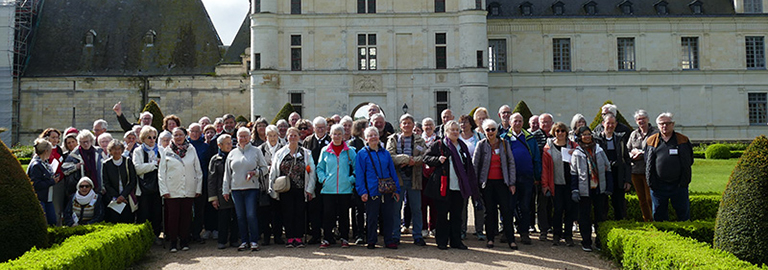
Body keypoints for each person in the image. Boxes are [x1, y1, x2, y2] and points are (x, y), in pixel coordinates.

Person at [423, 120, 481, 250]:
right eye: (452, 130)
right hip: (443, 186)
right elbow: (426, 158)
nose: (455, 132)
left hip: (459, 187)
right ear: (446, 132)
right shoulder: (439, 145)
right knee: (442, 215)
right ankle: (442, 241)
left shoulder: (462, 146)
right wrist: (437, 160)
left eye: (457, 130)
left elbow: (468, 166)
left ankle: (456, 241)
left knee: (457, 216)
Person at [268, 127, 316, 248]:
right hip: (285, 189)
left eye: (295, 135)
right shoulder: (280, 153)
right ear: (286, 137)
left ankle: (298, 237)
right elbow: (273, 171)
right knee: (287, 213)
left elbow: (312, 172)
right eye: (290, 136)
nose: (293, 138)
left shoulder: (306, 153)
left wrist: (310, 189)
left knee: (300, 213)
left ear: (299, 137)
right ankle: (290, 237)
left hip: (301, 188)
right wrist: (272, 188)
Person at [473, 119, 517, 249]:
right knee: (490, 212)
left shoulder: (504, 143)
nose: (490, 132)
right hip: (487, 183)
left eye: (493, 129)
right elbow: (475, 165)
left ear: (497, 131)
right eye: (488, 130)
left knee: (507, 211)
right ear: (484, 131)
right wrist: (475, 184)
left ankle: (511, 239)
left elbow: (511, 163)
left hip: (502, 182)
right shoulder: (481, 145)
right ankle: (490, 238)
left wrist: (512, 183)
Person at [223, 127, 269, 251]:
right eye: (240, 136)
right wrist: (225, 190)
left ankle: (254, 240)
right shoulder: (232, 153)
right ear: (236, 138)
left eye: (245, 136)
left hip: (251, 188)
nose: (243, 139)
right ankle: (244, 241)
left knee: (251, 214)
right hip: (236, 189)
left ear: (249, 137)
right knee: (240, 216)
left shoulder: (256, 151)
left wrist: (255, 172)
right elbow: (227, 173)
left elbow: (265, 168)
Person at [356, 126, 401, 249]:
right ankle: (371, 239)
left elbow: (392, 171)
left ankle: (388, 239)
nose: (373, 137)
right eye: (370, 135)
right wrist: (362, 191)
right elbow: (359, 174)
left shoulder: (385, 153)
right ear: (366, 138)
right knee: (371, 217)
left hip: (387, 189)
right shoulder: (361, 154)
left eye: (375, 135)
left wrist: (396, 189)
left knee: (388, 216)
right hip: (372, 190)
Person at [159, 127, 203, 252]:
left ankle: (184, 240)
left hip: (189, 187)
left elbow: (198, 170)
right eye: (175, 135)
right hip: (172, 189)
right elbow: (161, 173)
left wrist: (198, 188)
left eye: (181, 135)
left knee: (186, 216)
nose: (178, 137)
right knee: (173, 217)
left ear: (185, 136)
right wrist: (164, 190)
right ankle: (173, 242)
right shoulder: (166, 151)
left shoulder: (191, 149)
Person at [386, 114, 427, 246]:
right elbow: (390, 156)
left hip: (414, 178)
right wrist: (404, 159)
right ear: (400, 125)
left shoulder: (420, 141)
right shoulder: (392, 139)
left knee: (416, 208)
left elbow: (425, 156)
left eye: (409, 123)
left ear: (413, 125)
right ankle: (395, 235)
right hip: (398, 179)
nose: (407, 125)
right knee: (396, 209)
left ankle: (417, 235)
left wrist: (412, 162)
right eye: (404, 123)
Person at [570, 126, 612, 252]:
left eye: (589, 134)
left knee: (600, 216)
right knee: (584, 217)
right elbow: (573, 173)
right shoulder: (577, 152)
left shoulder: (599, 150)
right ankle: (586, 241)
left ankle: (599, 241)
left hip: (599, 188)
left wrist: (609, 186)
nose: (587, 136)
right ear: (580, 137)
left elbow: (607, 167)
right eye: (584, 134)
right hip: (584, 190)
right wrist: (574, 190)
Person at [644, 112, 693, 222]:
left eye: (667, 123)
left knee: (683, 215)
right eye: (661, 124)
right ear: (658, 125)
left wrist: (684, 182)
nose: (664, 126)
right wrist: (651, 183)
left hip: (679, 185)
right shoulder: (651, 141)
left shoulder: (682, 140)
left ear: (673, 124)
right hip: (658, 186)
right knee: (658, 215)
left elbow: (689, 160)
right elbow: (647, 162)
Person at [502, 113, 540, 245]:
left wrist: (537, 175)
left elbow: (536, 157)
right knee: (509, 206)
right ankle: (508, 233)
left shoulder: (530, 138)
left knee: (524, 206)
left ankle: (524, 232)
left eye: (519, 121)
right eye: (515, 121)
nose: (517, 123)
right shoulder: (504, 138)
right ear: (510, 122)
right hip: (510, 177)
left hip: (527, 177)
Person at [317, 124, 357, 248]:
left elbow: (357, 169)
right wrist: (323, 180)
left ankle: (344, 238)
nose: (337, 136)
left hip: (345, 189)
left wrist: (350, 180)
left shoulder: (350, 151)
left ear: (344, 135)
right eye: (335, 134)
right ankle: (328, 238)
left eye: (339, 134)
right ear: (331, 135)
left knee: (344, 215)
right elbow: (320, 168)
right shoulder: (325, 151)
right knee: (328, 214)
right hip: (329, 189)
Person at [541, 122, 578, 247]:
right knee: (557, 210)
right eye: (557, 131)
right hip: (555, 183)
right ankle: (556, 235)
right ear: (554, 132)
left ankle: (568, 236)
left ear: (566, 132)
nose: (560, 133)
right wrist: (545, 184)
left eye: (562, 131)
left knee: (569, 210)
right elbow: (545, 168)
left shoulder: (574, 146)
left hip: (569, 183)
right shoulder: (548, 148)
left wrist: (576, 153)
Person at [594, 114, 632, 220]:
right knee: (602, 206)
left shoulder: (620, 139)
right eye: (608, 123)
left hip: (618, 175)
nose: (610, 126)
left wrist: (627, 180)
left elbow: (627, 161)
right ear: (603, 124)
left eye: (612, 123)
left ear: (616, 124)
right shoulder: (596, 139)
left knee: (619, 206)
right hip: (602, 176)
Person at [208, 134, 240, 249]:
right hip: (221, 193)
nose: (230, 145)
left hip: (236, 191)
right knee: (223, 218)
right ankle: (222, 240)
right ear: (219, 145)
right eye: (227, 143)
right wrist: (213, 198)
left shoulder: (236, 156)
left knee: (236, 217)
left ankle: (234, 239)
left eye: (231, 143)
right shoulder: (215, 159)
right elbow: (212, 180)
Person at [303, 116, 330, 244]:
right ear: (313, 128)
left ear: (326, 128)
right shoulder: (308, 141)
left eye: (322, 127)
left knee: (328, 209)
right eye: (318, 127)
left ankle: (328, 235)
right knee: (314, 209)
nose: (320, 130)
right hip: (312, 181)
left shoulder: (331, 140)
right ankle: (315, 235)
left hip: (327, 181)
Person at [133, 126, 163, 244]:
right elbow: (137, 168)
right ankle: (144, 237)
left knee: (157, 212)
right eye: (149, 137)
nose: (152, 140)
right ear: (143, 138)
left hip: (158, 186)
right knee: (144, 212)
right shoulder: (138, 151)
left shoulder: (160, 150)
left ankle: (156, 235)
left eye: (154, 137)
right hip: (143, 187)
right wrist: (154, 165)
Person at [626, 109, 658, 222]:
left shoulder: (654, 133)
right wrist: (632, 154)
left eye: (643, 118)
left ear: (648, 119)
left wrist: (641, 153)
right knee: (642, 199)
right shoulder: (634, 134)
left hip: (648, 170)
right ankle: (647, 219)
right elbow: (627, 150)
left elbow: (655, 150)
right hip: (635, 170)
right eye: (639, 119)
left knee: (650, 198)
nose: (641, 121)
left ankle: (655, 219)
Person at [257, 125, 286, 246]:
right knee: (264, 213)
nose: (272, 138)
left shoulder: (283, 148)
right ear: (265, 136)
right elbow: (256, 165)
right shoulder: (260, 149)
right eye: (270, 135)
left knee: (277, 212)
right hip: (264, 185)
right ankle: (266, 237)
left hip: (278, 185)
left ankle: (278, 236)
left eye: (274, 135)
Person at [458, 114, 484, 241]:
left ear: (471, 124)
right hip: (461, 175)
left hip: (476, 174)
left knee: (478, 202)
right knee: (462, 204)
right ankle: (462, 230)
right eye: (461, 123)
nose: (463, 125)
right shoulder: (456, 137)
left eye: (465, 122)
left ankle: (479, 230)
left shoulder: (478, 137)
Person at [102, 139, 137, 224]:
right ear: (110, 151)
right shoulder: (106, 164)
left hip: (127, 198)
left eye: (119, 149)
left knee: (128, 221)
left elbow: (133, 181)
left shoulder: (128, 161)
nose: (117, 151)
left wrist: (123, 196)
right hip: (113, 199)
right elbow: (106, 183)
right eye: (114, 149)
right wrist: (117, 197)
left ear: (122, 150)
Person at [187, 123, 212, 243]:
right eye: (193, 131)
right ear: (188, 132)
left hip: (201, 181)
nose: (195, 134)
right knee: (187, 209)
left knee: (199, 209)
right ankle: (186, 233)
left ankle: (196, 233)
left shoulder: (205, 147)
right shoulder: (184, 146)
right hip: (186, 181)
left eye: (197, 131)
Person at [532, 113, 554, 239]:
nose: (545, 124)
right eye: (543, 122)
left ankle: (552, 226)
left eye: (547, 122)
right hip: (541, 174)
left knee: (553, 203)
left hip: (554, 174)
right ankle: (543, 229)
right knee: (542, 203)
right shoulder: (534, 136)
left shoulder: (555, 135)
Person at [28, 138, 60, 225]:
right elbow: (36, 184)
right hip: (41, 198)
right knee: (45, 223)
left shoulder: (43, 163)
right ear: (46, 151)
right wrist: (52, 181)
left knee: (52, 221)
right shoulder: (36, 165)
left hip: (47, 198)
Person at [63, 130, 105, 196]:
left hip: (98, 187)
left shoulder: (99, 152)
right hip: (80, 189)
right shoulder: (74, 154)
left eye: (87, 141)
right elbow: (64, 168)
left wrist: (103, 186)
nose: (85, 144)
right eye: (82, 142)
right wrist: (75, 167)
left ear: (91, 141)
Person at [347, 118, 367, 244]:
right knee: (358, 208)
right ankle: (358, 233)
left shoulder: (368, 141)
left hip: (367, 180)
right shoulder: (353, 143)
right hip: (358, 180)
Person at [40, 128, 66, 225]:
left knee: (57, 207)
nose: (55, 140)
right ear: (47, 138)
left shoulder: (59, 149)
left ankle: (57, 228)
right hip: (46, 182)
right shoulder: (42, 150)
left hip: (58, 182)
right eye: (53, 137)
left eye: (57, 138)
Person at [420, 117, 439, 238]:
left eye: (430, 125)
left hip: (434, 175)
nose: (428, 127)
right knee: (422, 203)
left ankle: (433, 227)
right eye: (426, 125)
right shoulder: (419, 141)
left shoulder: (439, 140)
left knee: (434, 203)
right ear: (422, 127)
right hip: (421, 175)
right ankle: (423, 227)